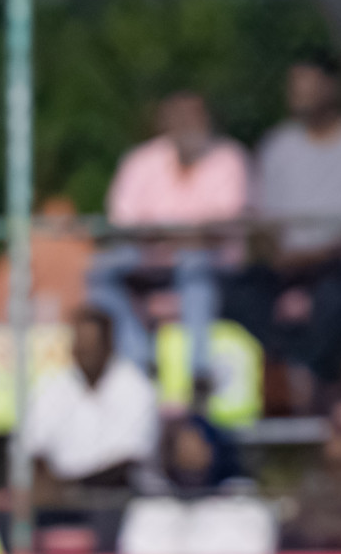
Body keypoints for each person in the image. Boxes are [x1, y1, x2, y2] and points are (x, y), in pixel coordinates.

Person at [226, 53, 341, 406]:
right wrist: (275, 253)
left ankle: (312, 378)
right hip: (285, 261)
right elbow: (263, 220)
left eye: (308, 83)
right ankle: (292, 365)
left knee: (335, 300)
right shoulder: (276, 146)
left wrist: (321, 252)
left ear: (335, 86)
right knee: (235, 292)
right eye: (293, 84)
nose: (298, 93)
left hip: (339, 260)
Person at [86, 92, 248, 386]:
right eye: (178, 116)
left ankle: (198, 369)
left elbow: (219, 230)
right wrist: (182, 233)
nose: (186, 124)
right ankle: (139, 358)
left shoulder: (229, 158)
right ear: (164, 121)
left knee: (196, 267)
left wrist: (164, 233)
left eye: (193, 116)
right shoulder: (140, 162)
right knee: (99, 271)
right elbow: (124, 227)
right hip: (148, 260)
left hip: (209, 264)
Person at [25, 305, 158, 490]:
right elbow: (34, 450)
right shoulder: (51, 387)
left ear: (108, 346)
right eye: (80, 346)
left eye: (91, 347)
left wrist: (71, 488)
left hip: (122, 497)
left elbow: (128, 461)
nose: (83, 353)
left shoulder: (136, 388)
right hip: (60, 500)